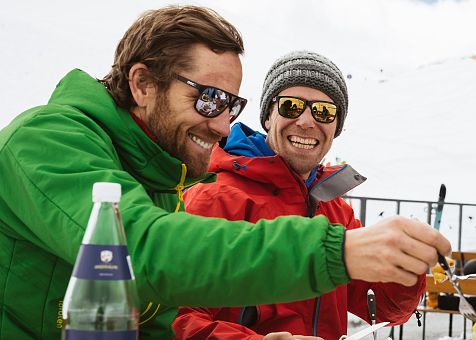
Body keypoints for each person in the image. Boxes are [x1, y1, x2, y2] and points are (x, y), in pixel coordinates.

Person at [0, 6, 451, 339]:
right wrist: (338, 252)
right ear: (141, 84)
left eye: (230, 106)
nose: (221, 125)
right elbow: (140, 250)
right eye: (208, 99)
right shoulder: (49, 138)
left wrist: (406, 264)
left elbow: (156, 321)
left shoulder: (162, 173)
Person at [172, 51, 426, 339]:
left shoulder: (335, 210)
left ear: (335, 127)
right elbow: (175, 318)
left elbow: (384, 309)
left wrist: (409, 266)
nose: (306, 121)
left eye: (324, 112)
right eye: (291, 106)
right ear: (268, 116)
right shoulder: (216, 198)